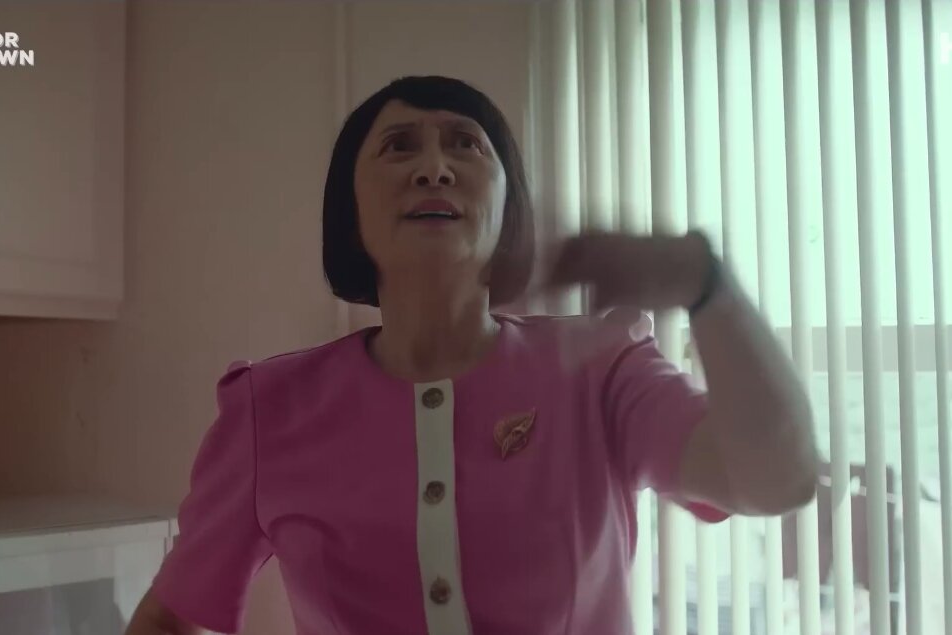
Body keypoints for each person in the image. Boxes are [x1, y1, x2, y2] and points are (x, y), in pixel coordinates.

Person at [124, 75, 819, 635]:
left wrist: (706, 285)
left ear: (507, 205)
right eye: (399, 147)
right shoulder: (269, 409)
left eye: (466, 145)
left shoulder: (602, 367)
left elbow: (776, 480)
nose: (434, 168)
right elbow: (171, 618)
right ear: (349, 210)